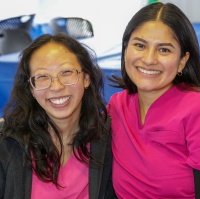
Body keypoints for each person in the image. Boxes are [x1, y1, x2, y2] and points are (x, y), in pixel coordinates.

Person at [107, 2, 200, 198]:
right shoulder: (117, 106)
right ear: (125, 50)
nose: (149, 59)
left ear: (182, 61)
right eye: (140, 45)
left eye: (164, 50)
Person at [0, 33, 116, 199]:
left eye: (67, 72)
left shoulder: (108, 140)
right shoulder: (8, 144)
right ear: (31, 88)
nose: (56, 86)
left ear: (86, 78)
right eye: (42, 76)